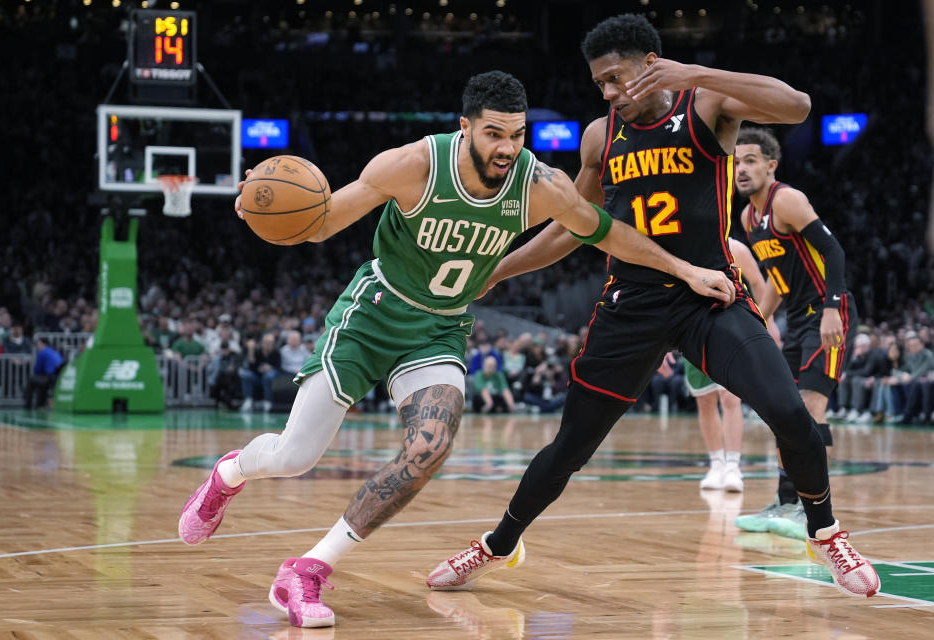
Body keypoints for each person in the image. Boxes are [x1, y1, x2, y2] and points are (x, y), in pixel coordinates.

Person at [178, 70, 737, 628]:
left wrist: (684, 268)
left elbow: (606, 231)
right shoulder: (410, 166)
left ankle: (307, 570)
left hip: (440, 329)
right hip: (373, 314)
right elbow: (320, 224)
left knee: (430, 447)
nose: (508, 148)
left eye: (518, 135)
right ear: (464, 126)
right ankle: (231, 473)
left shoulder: (539, 184)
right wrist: (260, 202)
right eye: (494, 134)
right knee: (294, 458)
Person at [425, 17, 878, 599]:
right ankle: (499, 543)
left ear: (651, 63)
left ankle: (826, 532)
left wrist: (693, 71)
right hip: (630, 304)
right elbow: (574, 228)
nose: (608, 92)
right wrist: (498, 269)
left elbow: (796, 105)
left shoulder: (706, 102)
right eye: (599, 83)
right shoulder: (599, 136)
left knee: (790, 413)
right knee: (570, 446)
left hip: (706, 296)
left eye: (616, 77)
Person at [733, 127, 858, 540]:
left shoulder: (786, 199)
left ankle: (814, 513)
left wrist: (830, 309)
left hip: (828, 312)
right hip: (798, 318)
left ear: (771, 165)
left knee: (807, 407)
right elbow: (773, 282)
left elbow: (833, 250)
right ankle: (786, 503)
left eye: (750, 160)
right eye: (735, 162)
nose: (741, 168)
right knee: (783, 412)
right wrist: (755, 323)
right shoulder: (748, 217)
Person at [683, 238, 773, 493]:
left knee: (730, 399)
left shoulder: (736, 248)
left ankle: (733, 465)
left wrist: (769, 321)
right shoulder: (687, 246)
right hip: (692, 329)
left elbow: (758, 282)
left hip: (730, 330)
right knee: (705, 400)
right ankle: (716, 463)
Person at [239, 332, 281, 412]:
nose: (268, 344)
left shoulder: (276, 352)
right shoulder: (257, 351)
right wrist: (251, 350)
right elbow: (251, 366)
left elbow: (278, 367)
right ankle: (248, 400)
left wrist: (270, 368)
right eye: (266, 342)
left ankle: (267, 401)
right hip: (257, 377)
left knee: (269, 376)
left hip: (269, 377)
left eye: (271, 343)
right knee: (246, 375)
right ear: (263, 342)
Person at [24, 337, 64, 409]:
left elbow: (38, 368)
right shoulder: (54, 351)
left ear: (42, 343)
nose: (37, 346)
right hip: (58, 377)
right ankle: (40, 404)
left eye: (38, 344)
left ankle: (28, 404)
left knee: (32, 379)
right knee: (40, 381)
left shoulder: (42, 352)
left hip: (50, 377)